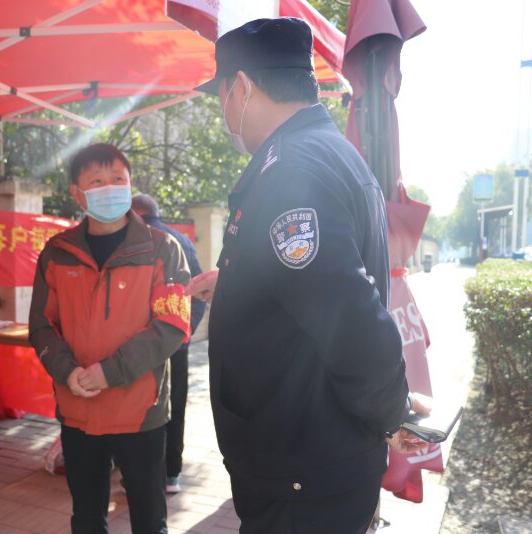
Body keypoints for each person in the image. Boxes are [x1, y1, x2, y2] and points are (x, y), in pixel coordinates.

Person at [190, 18, 428, 533]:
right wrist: (236, 285)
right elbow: (308, 283)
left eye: (222, 96)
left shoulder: (291, 171)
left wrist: (393, 412)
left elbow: (350, 320)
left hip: (303, 473)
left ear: (242, 87)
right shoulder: (322, 151)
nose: (224, 112)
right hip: (310, 461)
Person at [29, 143, 191, 534]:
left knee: (149, 521)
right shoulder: (57, 252)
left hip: (140, 413)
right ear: (77, 193)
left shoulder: (162, 248)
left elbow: (171, 325)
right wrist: (67, 372)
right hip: (78, 408)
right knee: (86, 518)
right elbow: (42, 325)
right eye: (97, 181)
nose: (110, 188)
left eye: (118, 179)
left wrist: (109, 371)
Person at [130, 194, 206, 494]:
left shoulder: (133, 240)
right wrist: (185, 333)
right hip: (177, 343)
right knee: (175, 406)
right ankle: (171, 473)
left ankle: (138, 474)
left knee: (141, 405)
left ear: (136, 213)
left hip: (139, 345)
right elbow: (200, 291)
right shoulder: (181, 240)